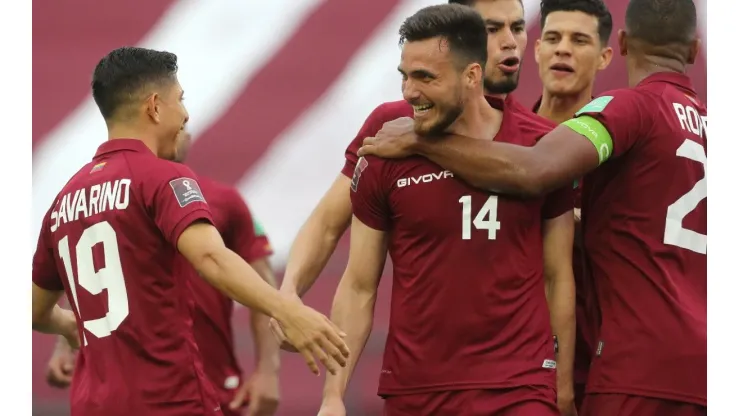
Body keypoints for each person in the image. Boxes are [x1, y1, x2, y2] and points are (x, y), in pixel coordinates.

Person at [359, 0, 707, 414]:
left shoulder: (626, 108)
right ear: (693, 50)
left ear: (623, 45)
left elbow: (536, 169)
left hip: (635, 363)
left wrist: (421, 141)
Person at [31, 46, 349, 416]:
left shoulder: (63, 200)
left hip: (91, 404)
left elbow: (36, 312)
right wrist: (288, 310)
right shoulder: (165, 178)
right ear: (154, 106)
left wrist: (72, 326)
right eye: (180, 100)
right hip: (169, 400)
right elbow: (211, 257)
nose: (185, 114)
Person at [317, 5, 574, 415]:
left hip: (519, 389)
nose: (409, 92)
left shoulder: (542, 146)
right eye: (405, 76)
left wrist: (562, 388)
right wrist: (332, 395)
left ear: (472, 76)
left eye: (426, 78)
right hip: (416, 392)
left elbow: (559, 277)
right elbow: (359, 285)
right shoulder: (385, 150)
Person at [44, 132, 282, 416]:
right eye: (178, 113)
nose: (183, 128)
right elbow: (91, 272)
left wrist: (268, 370)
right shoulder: (112, 200)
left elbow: (263, 279)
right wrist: (65, 343)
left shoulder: (224, 200)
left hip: (208, 383)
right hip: (134, 390)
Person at [533, 0, 613, 411]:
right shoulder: (499, 143)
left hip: (603, 362)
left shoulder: (623, 150)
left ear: (604, 57)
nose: (562, 49)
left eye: (579, 40)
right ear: (536, 51)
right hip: (513, 362)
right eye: (553, 38)